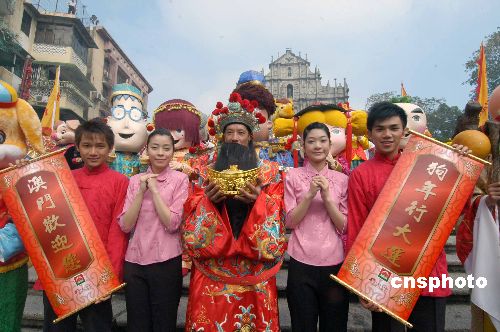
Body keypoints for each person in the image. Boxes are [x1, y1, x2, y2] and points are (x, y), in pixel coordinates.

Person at [347, 102, 458, 332]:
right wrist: (360, 284)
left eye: (393, 128)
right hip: (384, 278)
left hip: (428, 272)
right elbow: (356, 229)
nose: (387, 134)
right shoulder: (360, 175)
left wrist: (460, 162)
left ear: (405, 130)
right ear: (369, 134)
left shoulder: (429, 166)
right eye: (380, 129)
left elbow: (453, 207)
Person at [182, 92, 286, 331]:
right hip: (213, 272)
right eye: (230, 132)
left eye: (241, 133)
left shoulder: (270, 172)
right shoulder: (203, 170)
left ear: (250, 137)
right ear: (222, 136)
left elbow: (278, 214)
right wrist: (210, 203)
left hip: (255, 275)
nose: (235, 138)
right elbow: (190, 212)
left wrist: (258, 202)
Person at [42, 118, 129, 332]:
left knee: (97, 326)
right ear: (77, 147)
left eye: (100, 146)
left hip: (97, 271)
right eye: (87, 145)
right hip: (61, 269)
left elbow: (118, 233)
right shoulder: (63, 178)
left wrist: (111, 277)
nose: (93, 152)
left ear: (110, 148)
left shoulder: (120, 182)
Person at [119, 128, 188, 332]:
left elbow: (173, 223)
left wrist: (155, 191)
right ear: (146, 150)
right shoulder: (134, 181)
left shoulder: (180, 180)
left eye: (166, 148)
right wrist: (141, 192)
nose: (160, 153)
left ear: (172, 152)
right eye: (155, 147)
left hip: (166, 261)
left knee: (164, 321)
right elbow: (125, 224)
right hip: (135, 261)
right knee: (137, 323)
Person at [285, 122, 349, 331]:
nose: (317, 146)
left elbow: (344, 226)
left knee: (335, 324)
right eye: (311, 141)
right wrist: (309, 195)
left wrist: (329, 199)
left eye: (323, 141)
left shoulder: (342, 180)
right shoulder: (292, 176)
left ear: (330, 145)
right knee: (302, 324)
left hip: (334, 260)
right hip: (301, 260)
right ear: (303, 146)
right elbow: (290, 222)